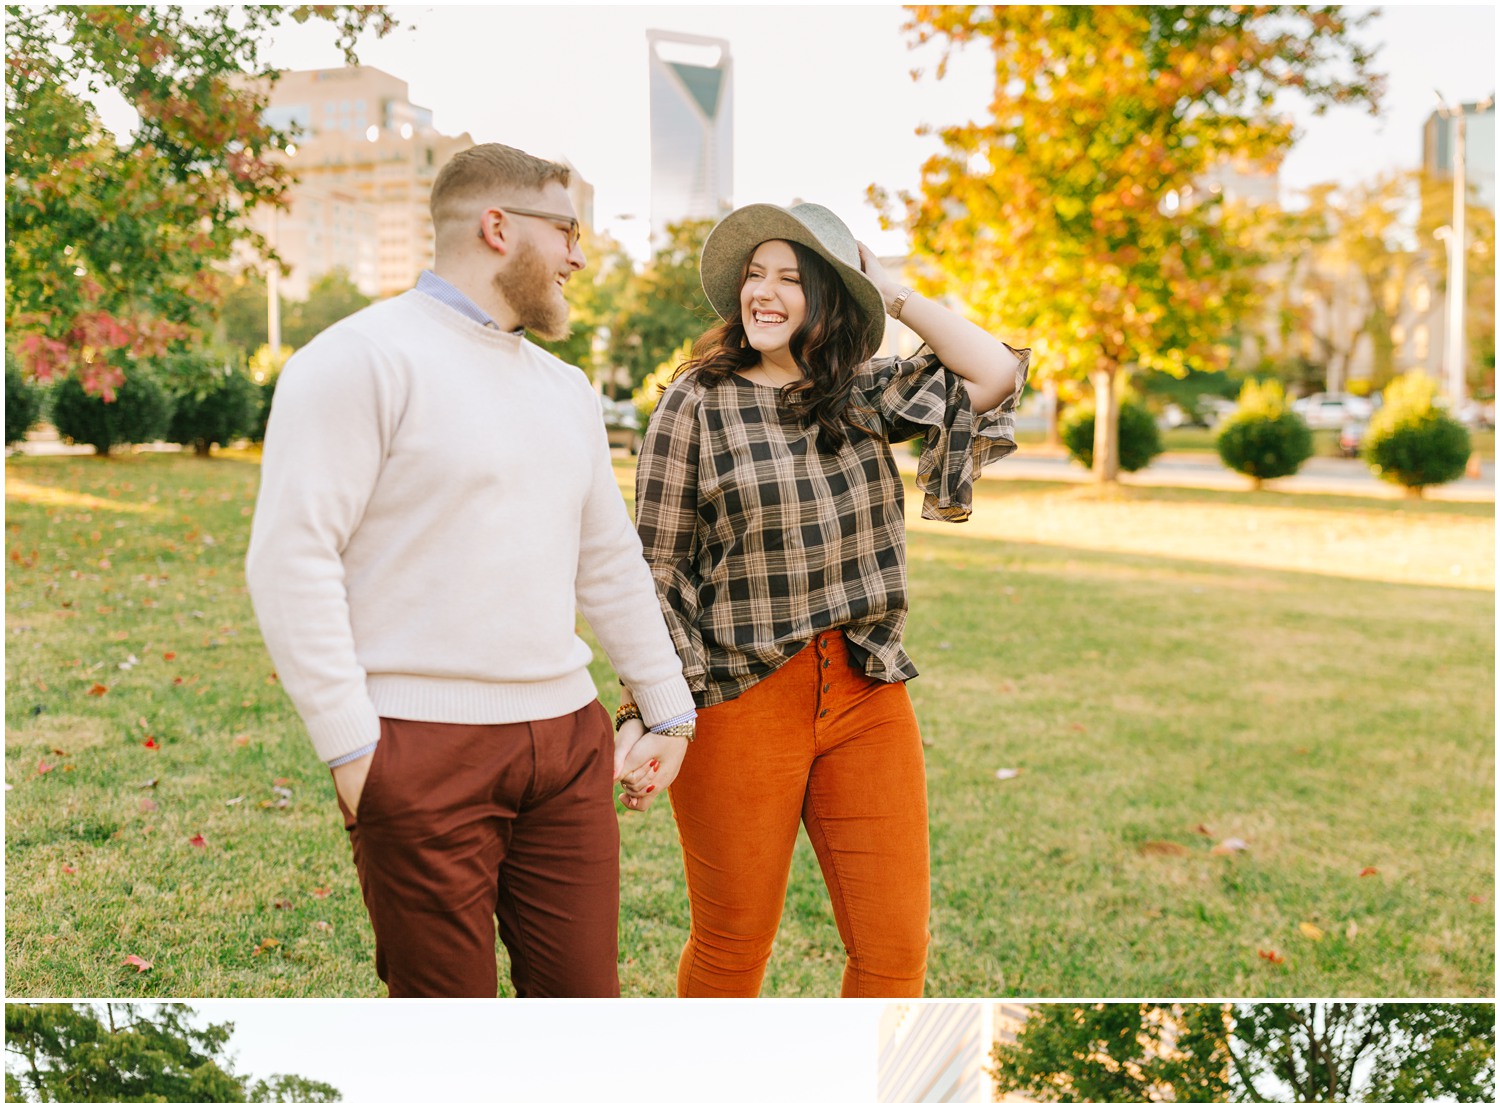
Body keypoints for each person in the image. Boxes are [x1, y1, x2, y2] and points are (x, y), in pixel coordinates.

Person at [246, 142, 697, 999]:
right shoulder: (355, 361)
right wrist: (352, 749)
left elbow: (606, 560)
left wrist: (668, 710)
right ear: (497, 227)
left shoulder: (563, 391)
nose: (578, 254)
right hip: (418, 750)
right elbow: (291, 557)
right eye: (565, 229)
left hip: (567, 746)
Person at [624, 200, 1029, 997]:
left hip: (864, 691)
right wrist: (660, 708)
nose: (763, 293)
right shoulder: (697, 401)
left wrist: (895, 292)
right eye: (754, 275)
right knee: (733, 945)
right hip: (738, 697)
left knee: (893, 951)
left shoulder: (862, 393)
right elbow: (657, 569)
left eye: (791, 277)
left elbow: (994, 373)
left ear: (832, 295)